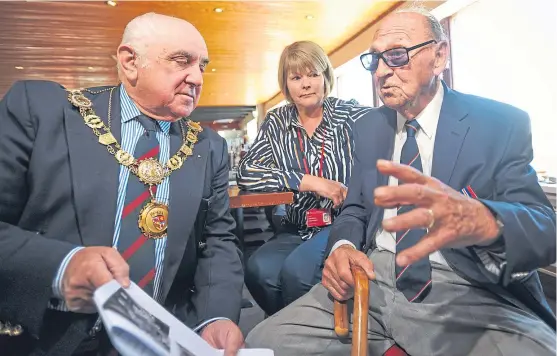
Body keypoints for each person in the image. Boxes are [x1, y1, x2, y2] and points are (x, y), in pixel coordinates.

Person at [246, 8, 556, 355]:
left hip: (461, 287)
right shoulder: (369, 127)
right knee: (261, 343)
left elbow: (545, 231)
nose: (381, 71)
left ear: (439, 56)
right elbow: (356, 209)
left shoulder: (497, 123)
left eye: (396, 55)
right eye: (375, 59)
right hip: (372, 277)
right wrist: (343, 246)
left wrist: (485, 220)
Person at [0, 12, 245, 356]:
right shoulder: (41, 112)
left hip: (165, 340)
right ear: (130, 62)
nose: (196, 77)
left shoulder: (209, 147)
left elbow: (218, 241)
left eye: (202, 65)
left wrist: (214, 316)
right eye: (181, 61)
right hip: (46, 338)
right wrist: (60, 266)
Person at [237, 41, 374, 316]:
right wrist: (308, 181)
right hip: (296, 227)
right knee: (257, 269)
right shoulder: (276, 122)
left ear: (326, 77)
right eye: (296, 78)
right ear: (286, 85)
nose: (306, 84)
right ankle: (289, 329)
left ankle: (306, 335)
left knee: (296, 272)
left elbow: (389, 134)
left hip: (341, 225)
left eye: (313, 74)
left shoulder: (351, 114)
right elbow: (246, 172)